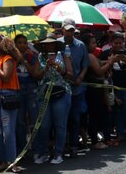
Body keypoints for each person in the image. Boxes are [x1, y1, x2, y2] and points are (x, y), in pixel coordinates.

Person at [33, 33, 74, 164]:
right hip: (43, 94)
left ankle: (58, 153)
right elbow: (36, 76)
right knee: (44, 125)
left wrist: (59, 68)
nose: (49, 46)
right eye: (46, 44)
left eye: (51, 43)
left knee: (60, 125)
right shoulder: (39, 57)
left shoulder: (63, 56)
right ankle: (44, 152)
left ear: (56, 45)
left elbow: (70, 74)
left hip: (61, 92)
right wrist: (45, 68)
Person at [0, 35, 22, 173]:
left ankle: (12, 162)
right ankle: (3, 160)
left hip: (7, 95)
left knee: (8, 131)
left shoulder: (7, 60)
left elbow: (6, 77)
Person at [100, 32, 126, 144]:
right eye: (115, 43)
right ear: (111, 43)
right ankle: (119, 135)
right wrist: (110, 61)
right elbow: (99, 66)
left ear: (123, 43)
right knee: (116, 113)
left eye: (120, 43)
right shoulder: (105, 54)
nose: (118, 45)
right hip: (113, 88)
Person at [62, 18, 89, 157]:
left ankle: (73, 145)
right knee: (61, 120)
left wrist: (80, 77)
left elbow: (85, 65)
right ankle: (61, 146)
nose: (70, 33)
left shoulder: (80, 45)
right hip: (61, 88)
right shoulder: (57, 44)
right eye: (67, 30)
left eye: (72, 30)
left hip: (77, 88)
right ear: (63, 30)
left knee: (75, 118)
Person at [13, 34, 43, 155]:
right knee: (19, 122)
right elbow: (9, 72)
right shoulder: (10, 57)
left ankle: (37, 150)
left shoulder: (33, 56)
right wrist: (17, 59)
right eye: (19, 43)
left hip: (31, 90)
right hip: (17, 90)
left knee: (34, 120)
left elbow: (35, 74)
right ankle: (21, 150)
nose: (22, 45)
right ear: (15, 45)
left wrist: (24, 60)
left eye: (25, 42)